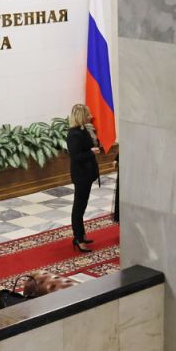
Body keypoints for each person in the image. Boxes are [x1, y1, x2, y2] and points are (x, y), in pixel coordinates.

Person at [67, 104, 102, 252]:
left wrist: (95, 144)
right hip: (81, 175)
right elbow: (75, 156)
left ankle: (81, 234)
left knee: (82, 205)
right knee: (78, 207)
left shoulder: (84, 130)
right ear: (81, 116)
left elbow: (89, 146)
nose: (91, 116)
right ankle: (78, 238)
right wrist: (91, 152)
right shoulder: (74, 134)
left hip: (87, 174)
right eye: (88, 114)